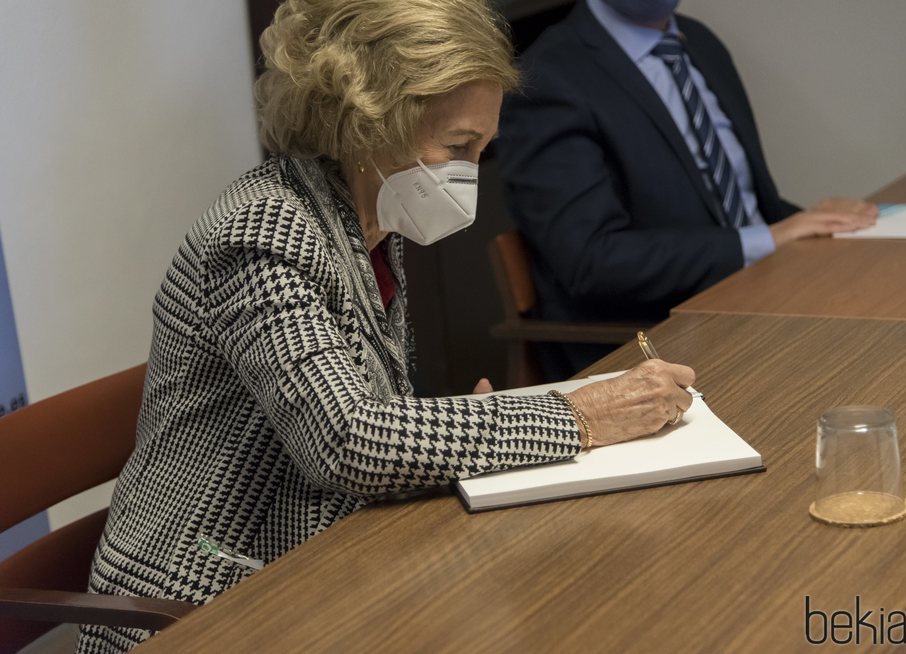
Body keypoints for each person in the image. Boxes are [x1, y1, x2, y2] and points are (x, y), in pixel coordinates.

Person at [77, 1, 696, 651]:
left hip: (310, 559)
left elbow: (359, 417)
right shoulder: (263, 231)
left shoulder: (370, 226)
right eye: (457, 146)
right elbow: (346, 441)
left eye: (481, 150)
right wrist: (577, 417)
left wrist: (469, 432)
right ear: (372, 120)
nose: (468, 172)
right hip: (193, 600)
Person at [497, 0, 878, 379]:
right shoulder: (547, 76)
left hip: (767, 294)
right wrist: (767, 239)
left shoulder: (698, 40)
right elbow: (593, 260)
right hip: (660, 344)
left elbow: (734, 201)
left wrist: (809, 221)